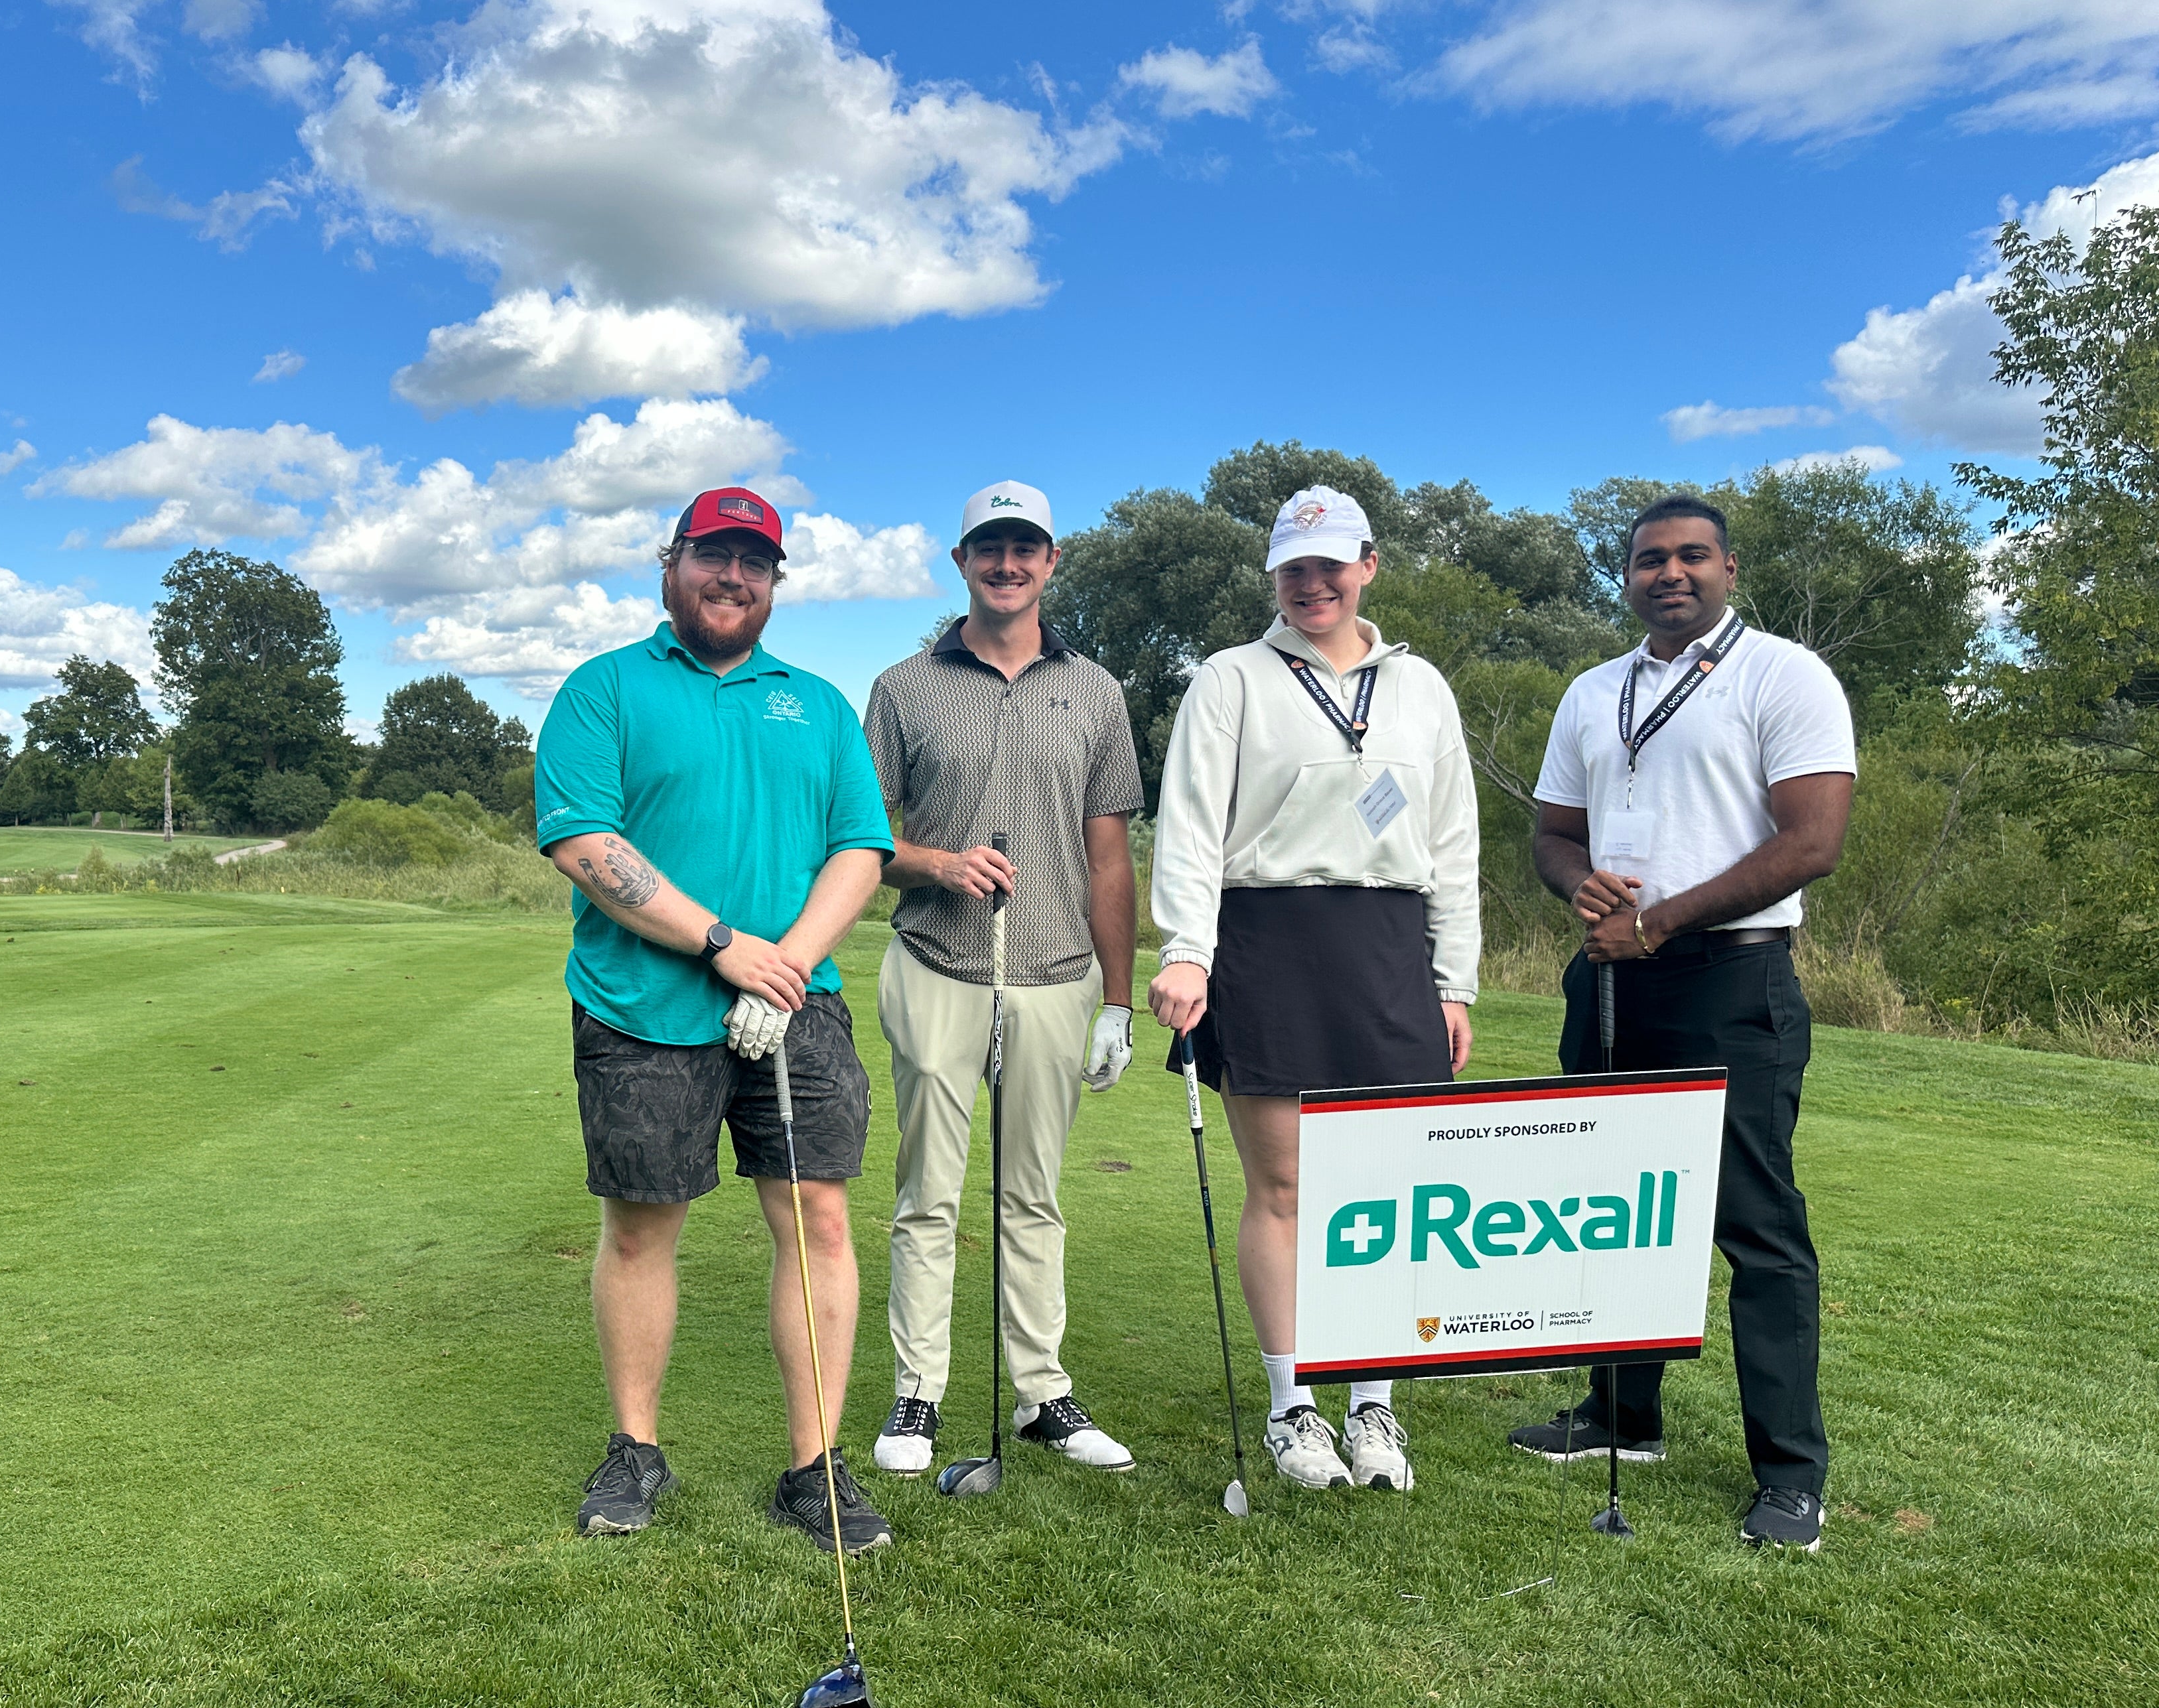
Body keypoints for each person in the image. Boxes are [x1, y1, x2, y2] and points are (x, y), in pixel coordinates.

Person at [533, 486, 896, 1552]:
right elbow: (586, 844)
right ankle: (637, 1449)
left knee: (819, 1224)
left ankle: (813, 1467)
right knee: (643, 1228)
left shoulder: (817, 703)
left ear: (775, 581)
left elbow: (860, 849)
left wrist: (786, 959)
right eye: (712, 556)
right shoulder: (605, 690)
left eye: (754, 561)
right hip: (644, 1007)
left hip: (798, 1002)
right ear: (672, 564)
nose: (732, 577)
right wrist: (721, 943)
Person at [1510, 492, 1854, 1553]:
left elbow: (1812, 842)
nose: (1670, 573)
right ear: (1627, 577)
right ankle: (1623, 1415)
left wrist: (1657, 923)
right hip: (1612, 976)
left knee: (1756, 1232)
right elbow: (1552, 835)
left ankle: (1791, 1474)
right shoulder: (1595, 691)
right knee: (1617, 1209)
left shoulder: (1783, 674)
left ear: (1729, 568)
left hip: (1731, 981)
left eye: (1691, 556)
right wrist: (1588, 892)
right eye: (1650, 560)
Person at [1148, 485, 1480, 1494]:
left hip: (1389, 945)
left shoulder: (1419, 687)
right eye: (1295, 568)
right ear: (1276, 580)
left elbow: (1453, 844)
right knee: (1286, 1190)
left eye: (1331, 564)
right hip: (1266, 941)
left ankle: (1372, 1404)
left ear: (1368, 566)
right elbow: (1193, 825)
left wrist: (1454, 979)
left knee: (1384, 1195)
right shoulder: (1231, 678)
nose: (1314, 583)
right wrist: (1186, 950)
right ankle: (1296, 1407)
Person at [861, 481, 1147, 1478]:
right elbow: (863, 838)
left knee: (1034, 1197)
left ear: (1051, 561)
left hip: (1058, 974)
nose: (1008, 562)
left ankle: (1042, 1396)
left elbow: (1109, 857)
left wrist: (1119, 999)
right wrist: (937, 863)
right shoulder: (903, 687)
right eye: (991, 546)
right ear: (962, 561)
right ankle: (919, 1394)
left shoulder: (1098, 690)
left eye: (1026, 547)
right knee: (927, 1195)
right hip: (938, 962)